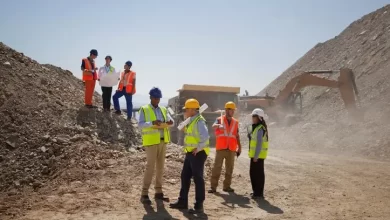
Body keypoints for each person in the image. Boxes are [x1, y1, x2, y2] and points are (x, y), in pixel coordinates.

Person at [170, 98, 210, 214]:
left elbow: (206, 137)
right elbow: (190, 133)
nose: (185, 111)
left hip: (198, 153)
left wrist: (198, 148)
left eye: (186, 109)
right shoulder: (192, 120)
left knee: (198, 178)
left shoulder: (199, 121)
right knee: (185, 176)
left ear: (192, 110)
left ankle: (199, 205)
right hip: (190, 153)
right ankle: (182, 201)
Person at [138, 87, 174, 205]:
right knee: (150, 168)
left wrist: (170, 122)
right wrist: (152, 123)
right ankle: (144, 194)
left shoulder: (163, 109)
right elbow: (141, 125)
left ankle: (158, 192)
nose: (157, 100)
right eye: (155, 98)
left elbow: (170, 120)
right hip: (151, 142)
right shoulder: (144, 109)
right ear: (150, 98)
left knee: (160, 168)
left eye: (158, 98)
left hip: (163, 141)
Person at [208, 101, 241, 193]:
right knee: (217, 168)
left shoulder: (235, 122)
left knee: (229, 169)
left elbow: (237, 135)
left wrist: (240, 147)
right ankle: (213, 187)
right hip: (221, 148)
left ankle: (227, 186)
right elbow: (213, 126)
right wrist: (219, 126)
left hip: (231, 148)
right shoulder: (219, 119)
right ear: (227, 110)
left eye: (234, 110)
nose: (233, 112)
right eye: (231, 110)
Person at [248, 108, 269, 199]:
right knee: (253, 173)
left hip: (258, 156)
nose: (253, 118)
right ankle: (255, 191)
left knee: (258, 174)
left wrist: (256, 156)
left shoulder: (260, 129)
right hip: (254, 156)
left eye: (254, 117)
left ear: (260, 118)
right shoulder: (255, 127)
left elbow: (259, 143)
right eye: (252, 117)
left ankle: (259, 193)